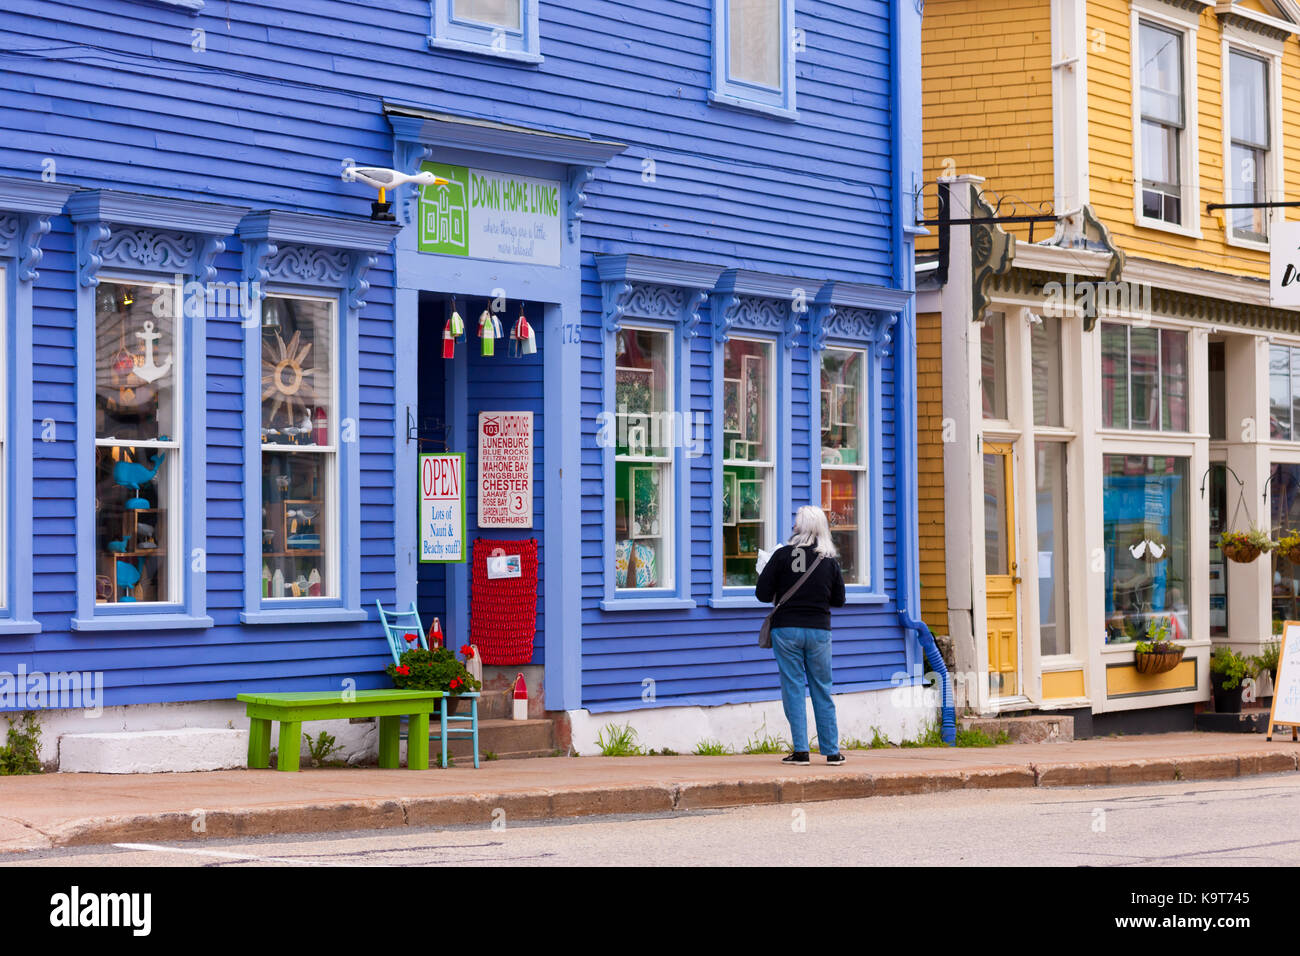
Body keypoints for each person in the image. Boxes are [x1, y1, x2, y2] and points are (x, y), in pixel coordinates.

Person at [755, 505, 847, 766]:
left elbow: (762, 594)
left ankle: (801, 751)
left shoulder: (782, 556)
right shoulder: (828, 560)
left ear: (799, 527)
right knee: (822, 688)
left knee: (793, 687)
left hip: (786, 630)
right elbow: (839, 600)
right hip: (819, 630)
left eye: (796, 522)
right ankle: (831, 751)